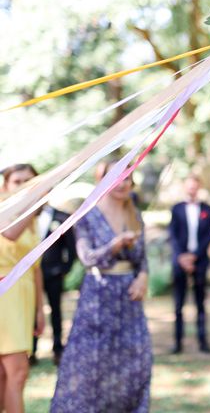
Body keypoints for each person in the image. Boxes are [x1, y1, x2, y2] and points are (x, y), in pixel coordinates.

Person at [51, 161, 152, 412]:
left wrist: (142, 277)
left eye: (128, 178)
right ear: (102, 180)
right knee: (93, 363)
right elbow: (86, 257)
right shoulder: (87, 215)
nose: (123, 183)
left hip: (129, 299)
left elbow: (143, 259)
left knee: (137, 360)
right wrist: (114, 246)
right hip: (98, 296)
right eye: (117, 177)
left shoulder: (135, 214)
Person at [0, 164, 45, 413]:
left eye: (30, 181)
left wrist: (40, 309)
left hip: (23, 299)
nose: (25, 186)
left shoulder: (32, 220)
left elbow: (34, 267)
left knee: (5, 377)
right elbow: (9, 234)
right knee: (18, 373)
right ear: (5, 185)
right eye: (18, 181)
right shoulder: (6, 212)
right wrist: (36, 200)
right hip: (4, 298)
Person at [168, 174, 210, 354]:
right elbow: (172, 235)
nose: (192, 189)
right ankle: (178, 343)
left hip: (200, 261)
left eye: (194, 186)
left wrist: (194, 256)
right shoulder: (176, 209)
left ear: (199, 187)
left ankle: (203, 341)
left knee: (200, 303)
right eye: (189, 186)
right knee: (178, 304)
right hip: (179, 261)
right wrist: (182, 257)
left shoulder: (208, 209)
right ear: (184, 187)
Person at [31, 204, 77, 366]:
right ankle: (31, 350)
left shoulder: (62, 217)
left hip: (54, 273)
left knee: (55, 311)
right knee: (32, 311)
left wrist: (65, 269)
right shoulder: (25, 216)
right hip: (30, 274)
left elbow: (72, 247)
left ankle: (57, 348)